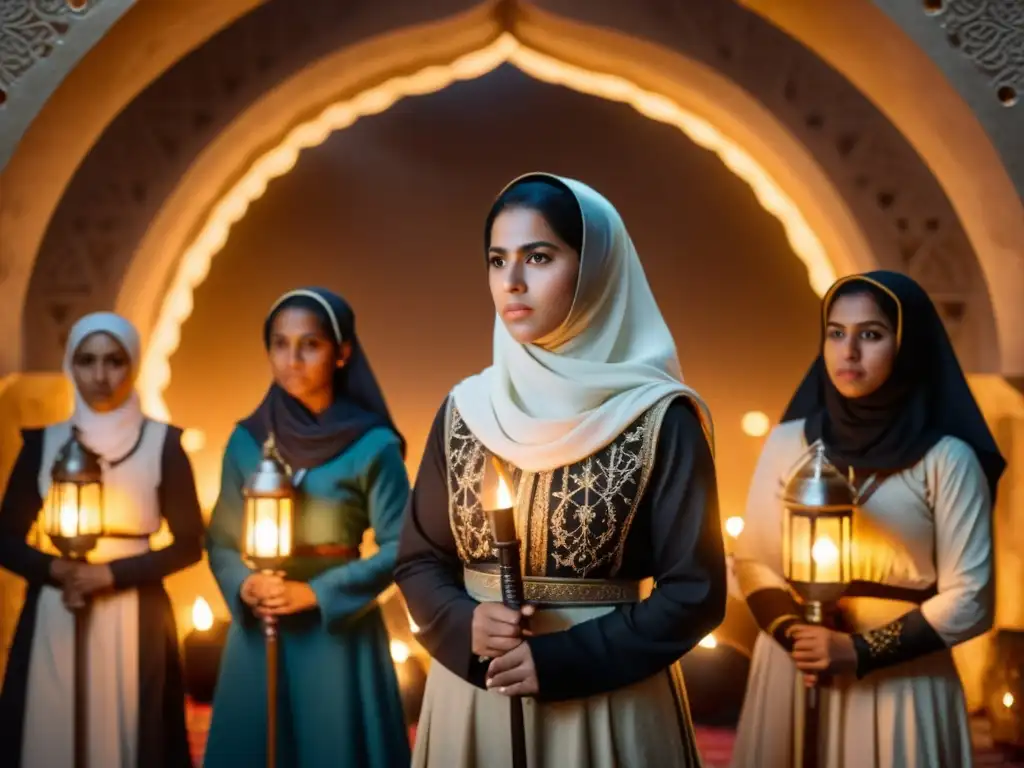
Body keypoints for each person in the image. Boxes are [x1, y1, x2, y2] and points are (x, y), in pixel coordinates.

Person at [396, 173, 726, 767]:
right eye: (498, 261)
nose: (512, 282)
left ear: (597, 266)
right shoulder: (466, 409)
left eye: (539, 257)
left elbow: (695, 593)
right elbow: (419, 558)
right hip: (476, 696)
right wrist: (464, 626)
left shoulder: (659, 416)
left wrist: (562, 661)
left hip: (608, 705)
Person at [730, 271, 1006, 767]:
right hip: (796, 666)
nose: (848, 351)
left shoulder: (947, 458)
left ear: (908, 344)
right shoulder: (791, 442)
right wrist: (798, 635)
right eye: (836, 333)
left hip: (901, 683)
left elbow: (973, 598)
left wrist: (859, 651)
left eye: (871, 335)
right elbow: (754, 561)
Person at [204, 288, 411, 768]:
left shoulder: (372, 445)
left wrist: (316, 593)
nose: (292, 359)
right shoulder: (245, 441)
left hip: (339, 636)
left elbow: (402, 545)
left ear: (342, 353)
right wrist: (245, 583)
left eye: (309, 344)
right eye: (279, 344)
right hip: (260, 629)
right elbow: (220, 540)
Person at [0, 311, 204, 767]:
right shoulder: (42, 443)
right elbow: (6, 537)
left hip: (136, 610)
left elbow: (189, 541)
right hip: (56, 607)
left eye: (113, 361)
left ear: (132, 363)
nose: (99, 375)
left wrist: (111, 574)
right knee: (50, 728)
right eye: (86, 361)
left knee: (136, 731)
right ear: (71, 365)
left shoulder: (163, 443)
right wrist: (57, 570)